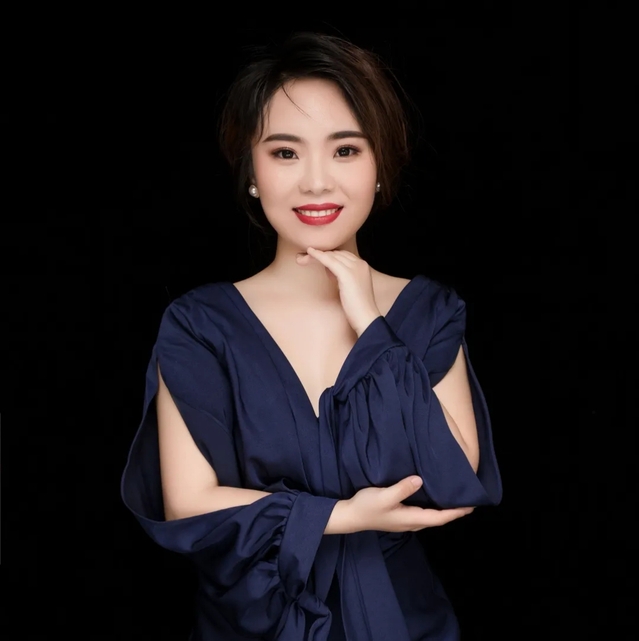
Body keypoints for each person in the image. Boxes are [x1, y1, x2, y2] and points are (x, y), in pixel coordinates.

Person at [121, 32, 502, 641]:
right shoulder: (200, 324)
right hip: (251, 625)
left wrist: (373, 326)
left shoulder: (429, 312)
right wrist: (339, 516)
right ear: (252, 172)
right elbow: (186, 502)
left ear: (380, 167)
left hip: (404, 624)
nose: (317, 182)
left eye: (346, 149)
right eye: (285, 153)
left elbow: (454, 479)